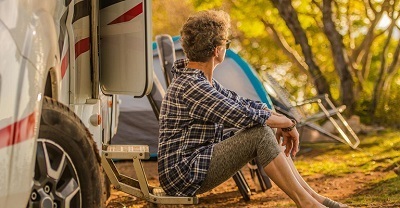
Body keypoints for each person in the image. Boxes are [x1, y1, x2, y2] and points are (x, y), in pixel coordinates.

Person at [158, 10, 348, 208]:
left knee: (264, 126)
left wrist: (279, 119)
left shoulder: (200, 81)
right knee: (260, 132)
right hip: (183, 174)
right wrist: (287, 122)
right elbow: (239, 114)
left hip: (195, 164)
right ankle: (308, 203)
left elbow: (243, 103)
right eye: (226, 45)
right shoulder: (192, 85)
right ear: (217, 50)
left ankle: (314, 199)